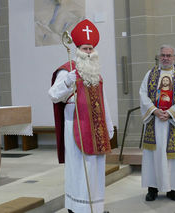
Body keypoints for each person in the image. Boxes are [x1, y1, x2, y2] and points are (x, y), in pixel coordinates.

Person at [48, 19, 114, 213]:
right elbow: (53, 95)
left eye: (91, 49)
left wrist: (109, 126)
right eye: (85, 48)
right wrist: (68, 81)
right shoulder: (67, 71)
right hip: (74, 126)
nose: (88, 52)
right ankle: (77, 209)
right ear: (77, 49)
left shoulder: (96, 74)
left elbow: (103, 102)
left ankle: (95, 208)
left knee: (96, 171)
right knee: (79, 171)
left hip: (96, 128)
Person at [139, 44, 175, 202]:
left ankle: (172, 189)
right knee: (153, 156)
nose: (166, 58)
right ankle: (152, 188)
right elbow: (143, 94)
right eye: (163, 55)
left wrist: (170, 113)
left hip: (171, 123)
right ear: (159, 57)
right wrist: (154, 110)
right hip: (154, 121)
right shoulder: (150, 74)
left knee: (171, 158)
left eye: (169, 55)